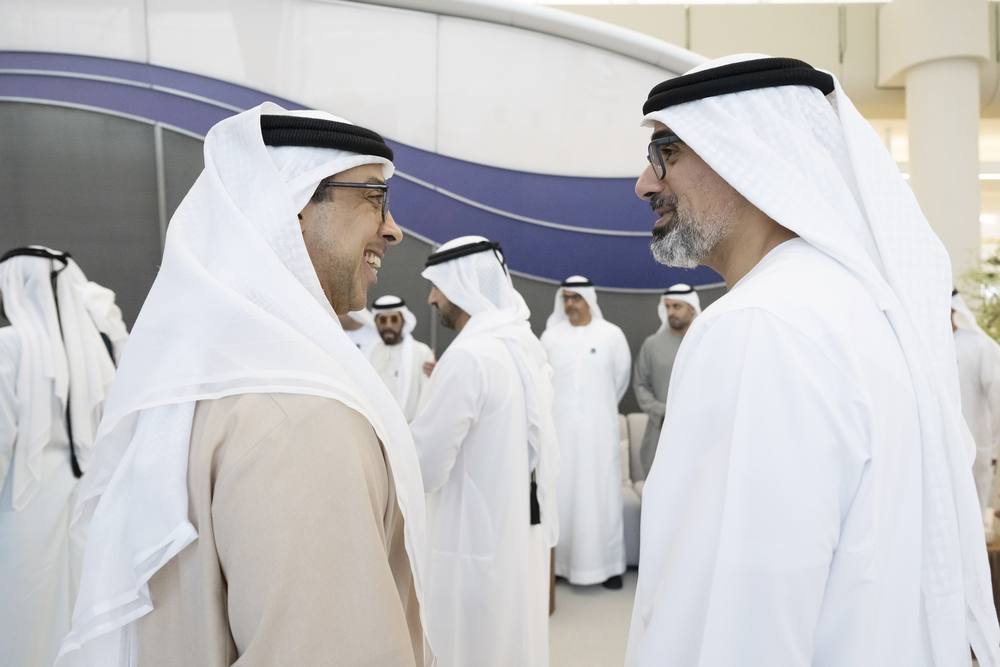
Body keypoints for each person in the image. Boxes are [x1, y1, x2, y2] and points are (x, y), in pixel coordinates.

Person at [626, 54, 1000, 665]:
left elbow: (737, 621)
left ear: (746, 152)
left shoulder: (759, 326)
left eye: (665, 152)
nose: (645, 183)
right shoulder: (854, 305)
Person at [56, 105, 433, 667]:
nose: (393, 229)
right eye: (374, 197)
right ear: (293, 207)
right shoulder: (301, 419)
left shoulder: (208, 376)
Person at [410, 235, 557, 667]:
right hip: (513, 532)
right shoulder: (519, 347)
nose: (431, 298)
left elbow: (425, 466)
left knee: (469, 646)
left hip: (470, 537)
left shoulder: (469, 357)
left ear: (462, 284)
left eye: (436, 285)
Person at [0, 246, 126, 667]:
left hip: (23, 509)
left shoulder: (9, 346)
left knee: (25, 620)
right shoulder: (97, 345)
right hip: (90, 504)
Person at [541, 275, 630, 589]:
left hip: (599, 433)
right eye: (565, 298)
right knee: (561, 495)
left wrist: (596, 410)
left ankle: (608, 567)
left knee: (602, 497)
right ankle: (560, 565)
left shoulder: (611, 335)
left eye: (575, 298)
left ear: (589, 299)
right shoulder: (550, 337)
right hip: (561, 432)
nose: (570, 304)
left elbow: (620, 379)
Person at [632, 283, 700, 478]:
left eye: (677, 306)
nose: (671, 312)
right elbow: (640, 386)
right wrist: (662, 412)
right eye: (667, 307)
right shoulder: (652, 344)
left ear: (692, 308)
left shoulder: (706, 341)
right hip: (660, 431)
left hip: (698, 430)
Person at [952, 289, 1000, 511]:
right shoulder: (929, 349)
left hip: (976, 445)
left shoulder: (979, 345)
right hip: (944, 450)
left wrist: (995, 446)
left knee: (974, 512)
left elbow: (997, 398)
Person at [369, 294, 435, 421]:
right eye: (382, 320)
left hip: (410, 427)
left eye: (394, 319)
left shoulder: (422, 352)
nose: (388, 325)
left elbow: (427, 398)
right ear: (376, 323)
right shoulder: (369, 352)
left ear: (403, 321)